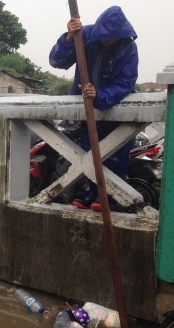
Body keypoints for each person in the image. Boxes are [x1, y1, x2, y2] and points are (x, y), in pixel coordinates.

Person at [49, 6, 138, 212]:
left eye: (112, 39)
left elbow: (125, 83)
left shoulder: (127, 48)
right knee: (87, 155)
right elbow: (56, 61)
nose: (107, 42)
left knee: (114, 159)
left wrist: (99, 95)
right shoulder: (85, 35)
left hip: (113, 114)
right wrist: (69, 38)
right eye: (105, 38)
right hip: (86, 113)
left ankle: (110, 201)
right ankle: (91, 196)